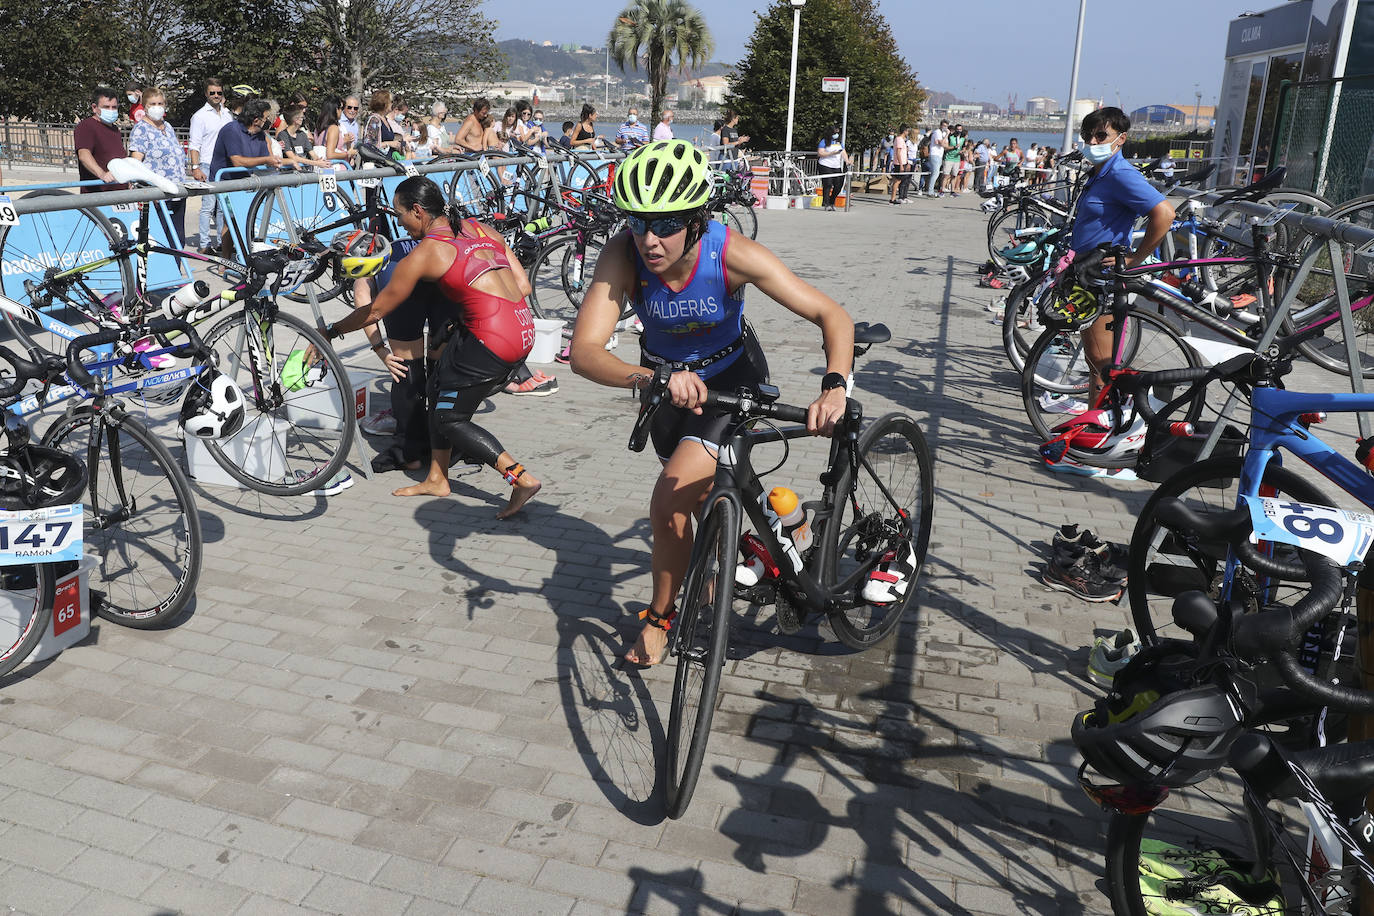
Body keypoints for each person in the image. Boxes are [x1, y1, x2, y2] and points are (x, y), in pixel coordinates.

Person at [569, 140, 855, 666]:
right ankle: (782, 525)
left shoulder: (732, 253)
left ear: (697, 220)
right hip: (663, 389)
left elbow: (831, 315)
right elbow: (583, 352)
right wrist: (650, 377)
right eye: (637, 222)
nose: (650, 239)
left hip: (732, 384)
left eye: (667, 223)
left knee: (668, 501)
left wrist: (835, 384)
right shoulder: (623, 254)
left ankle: (659, 620)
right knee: (703, 503)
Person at [319, 177, 543, 518]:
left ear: (418, 211)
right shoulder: (480, 228)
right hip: (524, 330)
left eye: (400, 215)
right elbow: (523, 286)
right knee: (439, 391)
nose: (398, 223)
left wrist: (332, 330)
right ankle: (438, 478)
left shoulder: (425, 252)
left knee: (447, 417)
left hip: (492, 340)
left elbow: (376, 310)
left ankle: (520, 478)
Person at [1071, 107, 1175, 403]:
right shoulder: (1101, 173)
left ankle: (1102, 426)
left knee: (1103, 363)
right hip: (1087, 271)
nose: (1092, 142)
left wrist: (1135, 259)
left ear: (1121, 139)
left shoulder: (1119, 174)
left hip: (1103, 276)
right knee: (1096, 359)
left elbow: (1165, 213)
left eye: (1101, 135)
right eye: (1087, 136)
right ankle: (1098, 421)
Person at [128, 87, 188, 243]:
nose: (157, 107)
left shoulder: (167, 126)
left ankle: (176, 268)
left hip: (177, 191)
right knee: (161, 240)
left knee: (178, 240)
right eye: (153, 103)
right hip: (157, 195)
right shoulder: (141, 129)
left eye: (160, 103)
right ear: (145, 106)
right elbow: (135, 163)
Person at [188, 78, 234, 250]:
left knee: (223, 208)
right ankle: (204, 243)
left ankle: (223, 243)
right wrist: (195, 167)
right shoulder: (199, 116)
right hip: (207, 164)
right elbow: (194, 144)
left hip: (225, 165)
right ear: (206, 94)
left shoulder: (228, 114)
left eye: (219, 93)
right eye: (212, 93)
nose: (216, 95)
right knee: (208, 206)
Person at [74, 87, 128, 194]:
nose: (111, 110)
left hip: (120, 193)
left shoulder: (115, 129)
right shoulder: (86, 126)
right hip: (99, 195)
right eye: (106, 107)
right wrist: (102, 174)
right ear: (94, 107)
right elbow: (84, 155)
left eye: (114, 107)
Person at [276, 104, 326, 170]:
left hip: (304, 172)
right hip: (289, 174)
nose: (303, 119)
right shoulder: (283, 135)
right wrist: (315, 163)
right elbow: (292, 157)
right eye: (302, 117)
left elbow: (312, 154)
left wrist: (319, 160)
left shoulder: (302, 134)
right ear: (296, 120)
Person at [313, 96, 357, 168]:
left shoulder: (319, 127)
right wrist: (348, 154)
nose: (342, 111)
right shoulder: (333, 128)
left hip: (321, 169)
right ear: (336, 109)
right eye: (341, 108)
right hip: (335, 170)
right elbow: (330, 154)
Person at [362, 90, 404, 156]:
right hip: (378, 163)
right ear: (384, 102)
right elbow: (368, 145)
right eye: (391, 102)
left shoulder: (385, 119)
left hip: (388, 161)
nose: (392, 104)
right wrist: (389, 144)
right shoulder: (374, 120)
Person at [816, 127, 847, 211]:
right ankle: (826, 203)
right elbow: (820, 153)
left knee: (838, 185)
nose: (836, 135)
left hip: (836, 166)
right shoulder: (824, 141)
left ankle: (832, 201)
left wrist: (847, 161)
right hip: (825, 165)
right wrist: (831, 153)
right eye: (834, 133)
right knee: (828, 184)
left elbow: (843, 152)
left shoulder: (839, 143)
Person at [940, 124, 965, 196]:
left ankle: (952, 191)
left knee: (954, 175)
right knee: (946, 175)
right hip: (949, 158)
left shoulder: (962, 138)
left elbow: (963, 147)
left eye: (960, 129)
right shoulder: (951, 137)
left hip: (957, 159)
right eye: (958, 129)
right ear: (955, 130)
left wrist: (962, 151)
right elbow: (946, 147)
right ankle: (942, 190)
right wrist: (954, 147)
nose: (959, 131)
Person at [888, 123, 911, 205]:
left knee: (897, 180)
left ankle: (895, 198)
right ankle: (892, 199)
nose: (908, 133)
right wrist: (901, 165)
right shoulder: (899, 139)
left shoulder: (901, 140)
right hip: (899, 163)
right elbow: (898, 153)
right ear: (904, 131)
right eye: (907, 131)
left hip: (903, 162)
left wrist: (906, 162)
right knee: (897, 181)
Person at [925, 119, 946, 196]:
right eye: (944, 126)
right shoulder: (937, 132)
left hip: (939, 155)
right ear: (940, 125)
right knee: (935, 174)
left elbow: (944, 143)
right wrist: (947, 135)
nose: (945, 127)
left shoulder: (940, 133)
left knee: (935, 173)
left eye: (946, 126)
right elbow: (941, 143)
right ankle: (930, 191)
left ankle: (931, 190)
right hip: (935, 155)